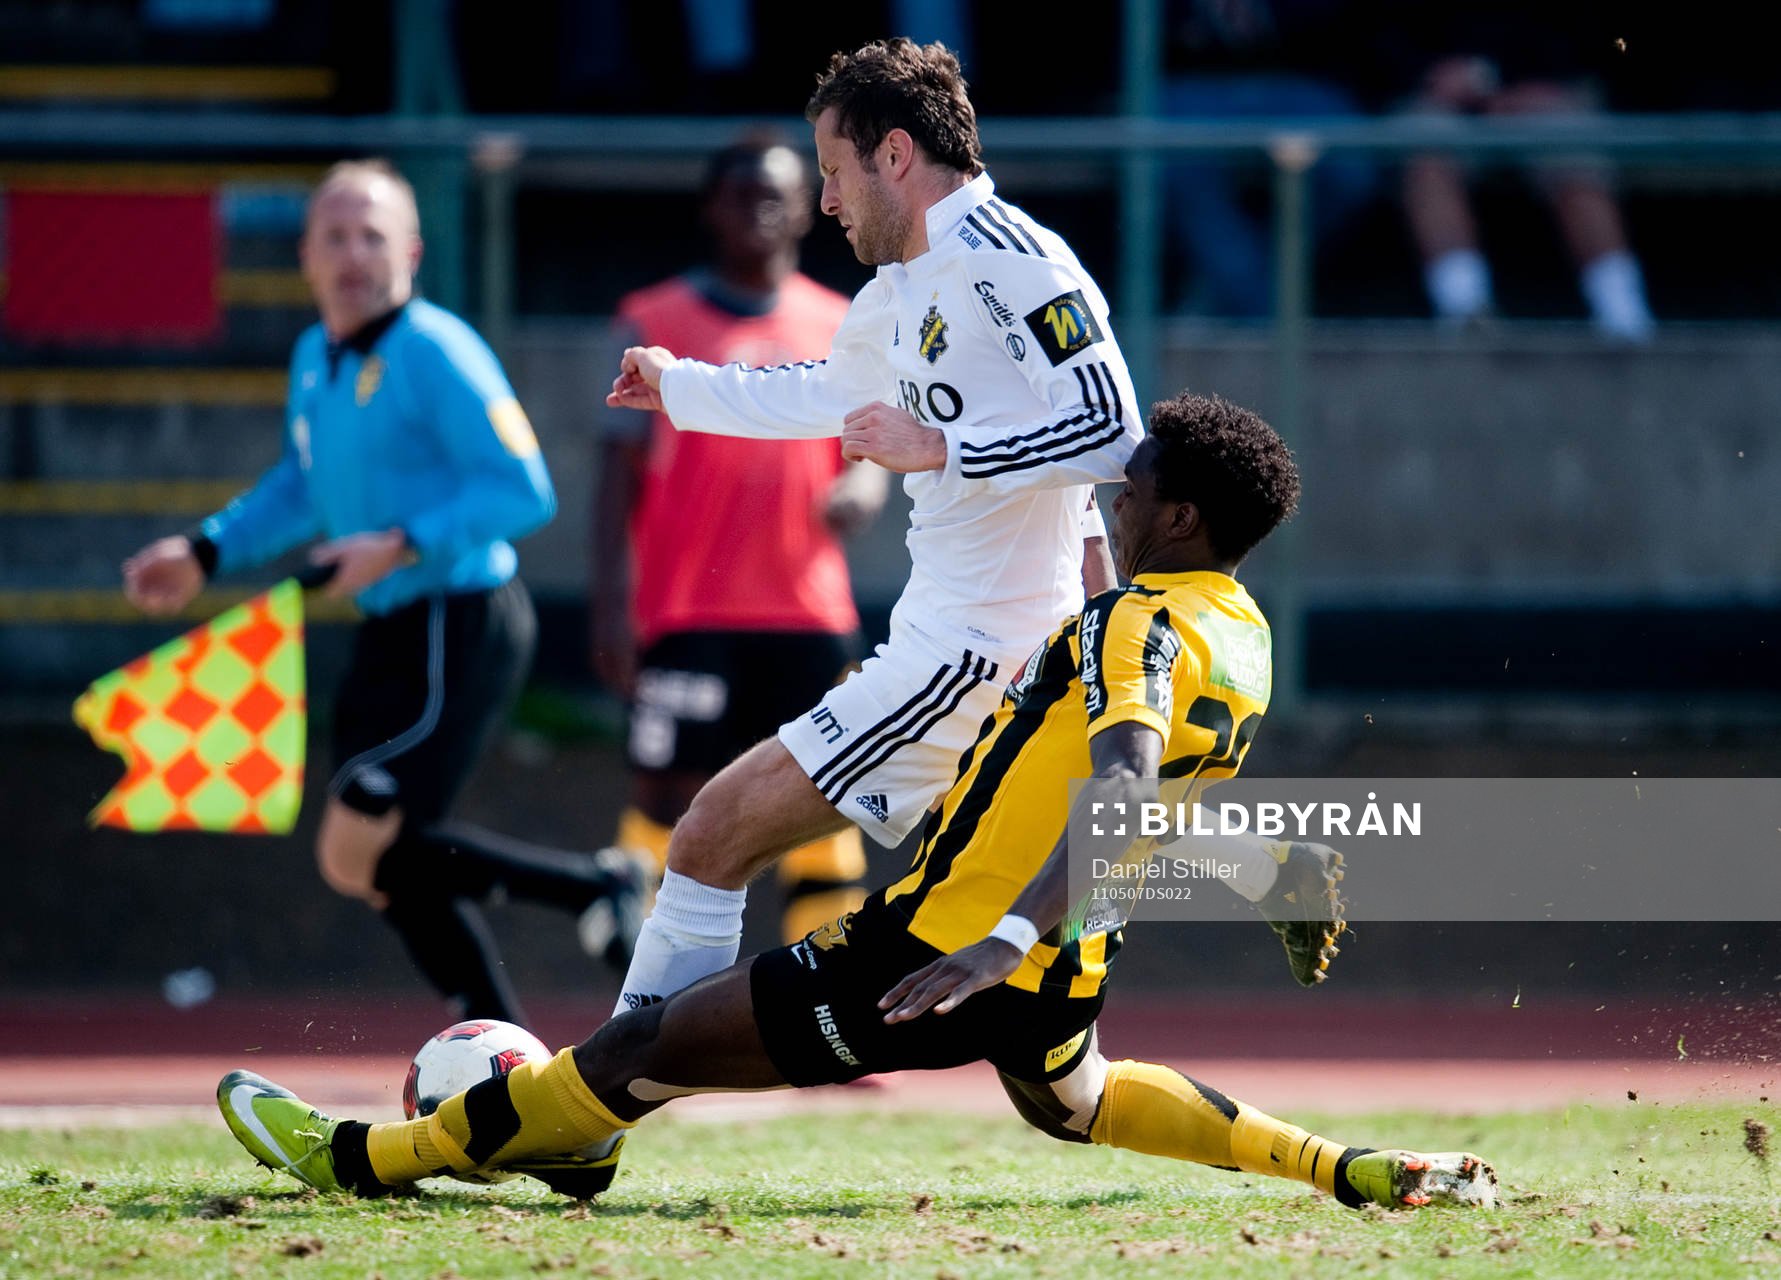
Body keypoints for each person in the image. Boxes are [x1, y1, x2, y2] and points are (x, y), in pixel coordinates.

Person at [217, 393, 1495, 1211]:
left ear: (1180, 511)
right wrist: (1253, 873)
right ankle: (1345, 1166)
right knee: (1076, 1098)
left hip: (940, 950)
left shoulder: (1133, 625)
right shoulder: (1249, 635)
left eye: (1133, 478)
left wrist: (997, 931)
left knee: (636, 1045)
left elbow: (1120, 785)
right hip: (1071, 959)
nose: (1112, 488)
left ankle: (357, 1159)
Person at [602, 37, 1145, 1029]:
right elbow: (819, 392)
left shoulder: (1015, 261)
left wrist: (944, 448)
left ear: (894, 155)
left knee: (711, 829)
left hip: (975, 656)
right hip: (963, 648)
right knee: (1052, 1064)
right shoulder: (895, 292)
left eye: (834, 169)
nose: (824, 200)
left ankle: (599, 1091)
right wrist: (677, 385)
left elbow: (1114, 433)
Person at [121, 159, 640, 1031]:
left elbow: (525, 491)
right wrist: (206, 551)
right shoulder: (314, 358)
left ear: (411, 250)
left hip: (459, 623)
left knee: (367, 817)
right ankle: (516, 1043)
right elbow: (299, 484)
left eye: (372, 235)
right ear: (306, 257)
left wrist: (398, 543)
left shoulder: (434, 349)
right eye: (335, 236)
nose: (354, 254)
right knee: (366, 866)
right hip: (386, 632)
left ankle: (600, 887)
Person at [590, 136, 889, 950]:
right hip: (688, 609)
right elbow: (613, 474)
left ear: (808, 206)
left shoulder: (840, 320)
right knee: (664, 796)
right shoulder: (652, 321)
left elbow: (869, 452)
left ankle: (832, 1000)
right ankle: (637, 986)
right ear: (708, 206)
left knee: (828, 793)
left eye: (778, 192)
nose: (760, 207)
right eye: (740, 192)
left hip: (807, 613)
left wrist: (860, 489)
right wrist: (609, 606)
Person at [1386, 1, 1655, 341]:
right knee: (1424, 141)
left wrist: (1502, 75)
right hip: (1438, 97)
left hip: (1547, 85)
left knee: (1569, 139)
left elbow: (1610, 39)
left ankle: (1626, 322)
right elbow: (1381, 36)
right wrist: (1438, 77)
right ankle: (1466, 316)